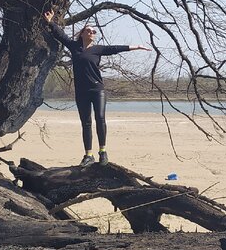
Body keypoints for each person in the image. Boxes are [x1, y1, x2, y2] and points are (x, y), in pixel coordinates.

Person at [43, 9, 151, 166]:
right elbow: (61, 36)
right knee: (85, 122)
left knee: (100, 119)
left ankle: (103, 152)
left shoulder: (98, 49)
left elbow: (115, 48)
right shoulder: (75, 47)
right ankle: (88, 155)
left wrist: (137, 47)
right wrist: (50, 22)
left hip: (97, 90)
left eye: (94, 31)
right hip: (81, 91)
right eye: (89, 30)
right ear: (82, 34)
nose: (92, 32)